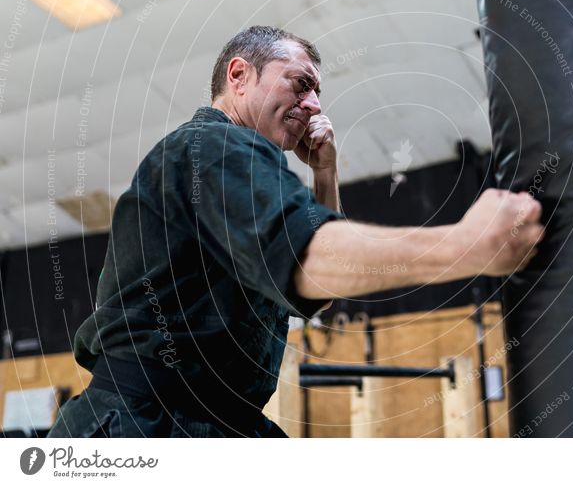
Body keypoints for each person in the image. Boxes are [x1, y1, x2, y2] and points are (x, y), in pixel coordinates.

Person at [48, 26, 544, 438]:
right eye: (299, 83)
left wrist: (325, 176)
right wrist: (466, 245)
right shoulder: (214, 146)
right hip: (148, 423)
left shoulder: (230, 169)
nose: (312, 104)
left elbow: (314, 289)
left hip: (209, 421)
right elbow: (307, 258)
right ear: (239, 75)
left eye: (317, 93)